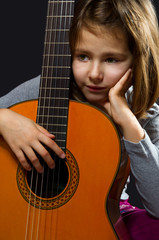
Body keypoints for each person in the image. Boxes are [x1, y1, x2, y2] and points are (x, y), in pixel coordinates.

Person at [0, 0, 159, 239]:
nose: (94, 74)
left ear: (137, 59)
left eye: (111, 59)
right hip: (27, 215)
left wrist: (129, 123)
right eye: (83, 56)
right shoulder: (47, 92)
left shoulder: (141, 109)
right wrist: (4, 119)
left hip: (105, 214)